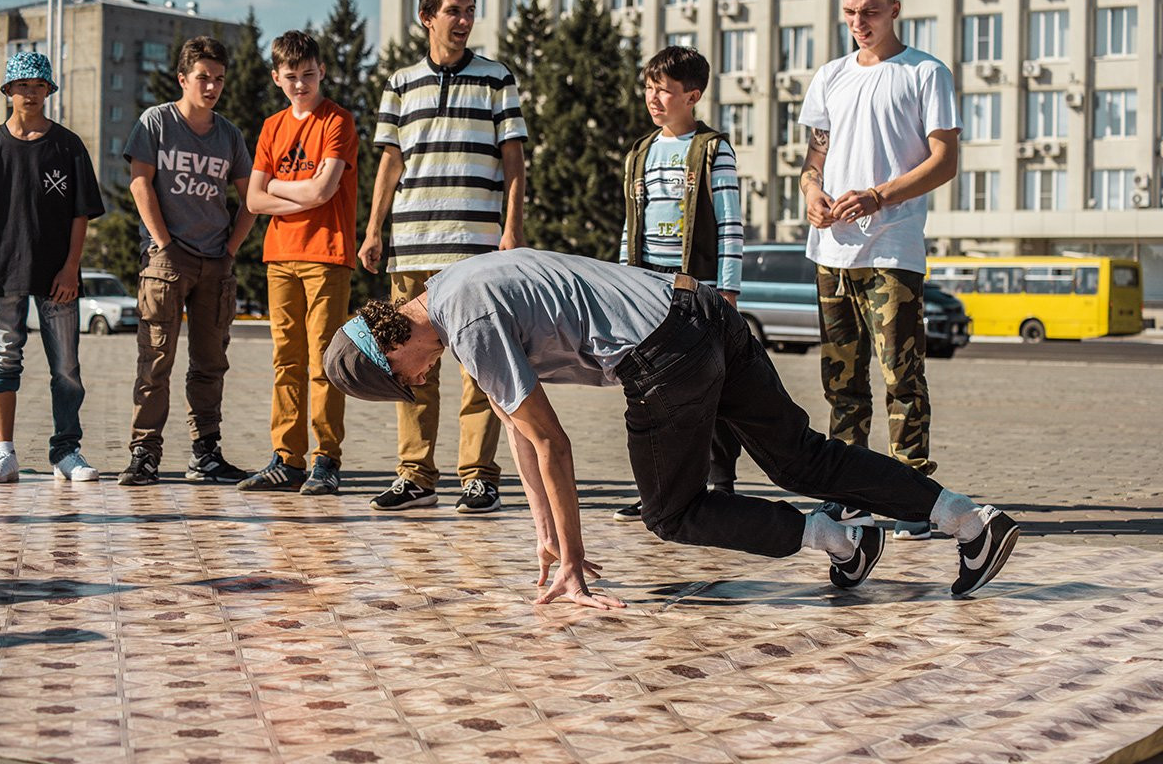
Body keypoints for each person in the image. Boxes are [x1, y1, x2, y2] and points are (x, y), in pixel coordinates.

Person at [323, 248, 1020, 609]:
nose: (419, 382)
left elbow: (554, 444)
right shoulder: (457, 288)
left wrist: (573, 561)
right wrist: (544, 535)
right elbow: (516, 427)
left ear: (391, 348)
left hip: (663, 355)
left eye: (404, 378)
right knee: (801, 459)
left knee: (672, 511)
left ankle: (838, 539)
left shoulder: (465, 321)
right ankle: (968, 521)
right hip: (702, 310)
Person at [799, 0, 960, 541]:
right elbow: (813, 160)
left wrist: (877, 196)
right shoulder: (831, 76)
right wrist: (812, 192)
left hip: (892, 248)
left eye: (868, 11)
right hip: (830, 253)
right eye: (849, 13)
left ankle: (913, 497)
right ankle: (849, 496)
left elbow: (944, 161)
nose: (858, 23)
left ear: (895, 7)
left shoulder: (925, 73)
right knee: (841, 382)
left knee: (901, 375)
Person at [358, 0, 527, 515]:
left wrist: (513, 229)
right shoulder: (399, 83)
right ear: (427, 17)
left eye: (469, 9)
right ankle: (415, 474)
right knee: (408, 364)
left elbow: (515, 162)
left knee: (481, 367)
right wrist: (373, 227)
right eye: (453, 10)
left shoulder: (497, 78)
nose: (464, 20)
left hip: (477, 248)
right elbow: (389, 160)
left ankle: (479, 475)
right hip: (411, 244)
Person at [118, 36, 255, 486]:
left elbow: (250, 199)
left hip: (215, 263)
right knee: (155, 360)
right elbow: (140, 184)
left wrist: (231, 250)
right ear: (183, 79)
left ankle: (205, 453)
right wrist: (163, 243)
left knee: (211, 362)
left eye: (218, 79)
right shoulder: (156, 122)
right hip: (166, 261)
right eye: (203, 78)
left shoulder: (229, 134)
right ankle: (145, 453)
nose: (211, 87)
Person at [615, 45, 743, 523]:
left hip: (700, 290)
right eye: (648, 88)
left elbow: (730, 223)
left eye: (663, 90)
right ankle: (655, 490)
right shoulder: (641, 151)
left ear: (692, 95)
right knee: (650, 389)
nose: (653, 98)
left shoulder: (713, 149)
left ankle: (720, 482)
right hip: (650, 292)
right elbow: (631, 224)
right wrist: (621, 283)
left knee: (708, 388)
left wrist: (727, 290)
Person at [0, 51, 105, 483]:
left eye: (39, 86)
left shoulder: (68, 145)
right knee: (3, 359)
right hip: (3, 270)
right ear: (8, 91)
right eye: (23, 85)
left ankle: (66, 451)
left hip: (56, 275)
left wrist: (70, 268)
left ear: (48, 91)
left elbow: (81, 213)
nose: (31, 93)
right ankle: (4, 452)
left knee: (66, 367)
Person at [241, 30, 359, 495]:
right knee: (285, 360)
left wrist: (279, 191)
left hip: (327, 255)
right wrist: (301, 191)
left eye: (308, 75)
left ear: (322, 71)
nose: (300, 85)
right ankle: (286, 459)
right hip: (280, 258)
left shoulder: (338, 121)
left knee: (324, 360)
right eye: (291, 77)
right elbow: (252, 199)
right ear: (276, 77)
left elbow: (323, 191)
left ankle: (326, 459)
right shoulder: (272, 127)